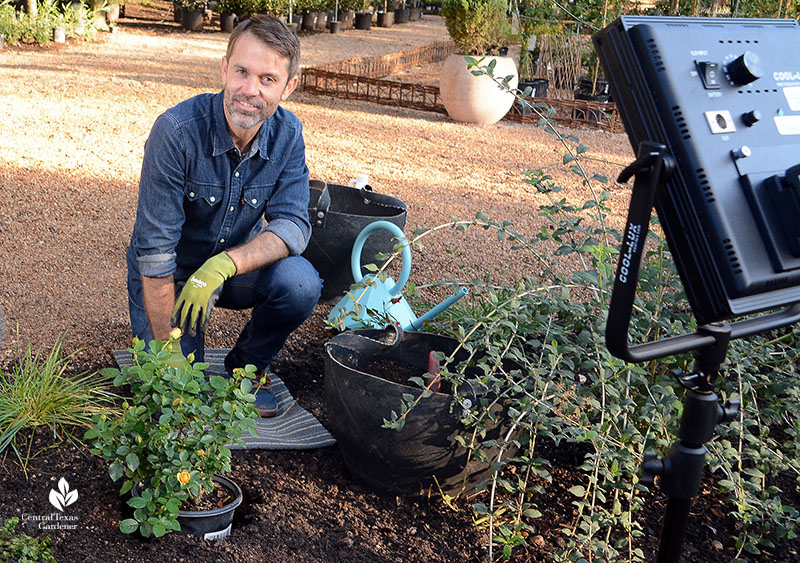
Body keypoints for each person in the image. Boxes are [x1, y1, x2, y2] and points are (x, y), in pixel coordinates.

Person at [126, 15, 322, 417]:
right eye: (242, 72)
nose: (249, 91)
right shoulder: (176, 132)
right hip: (171, 277)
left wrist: (222, 265)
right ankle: (175, 360)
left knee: (300, 282)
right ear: (223, 69)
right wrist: (167, 352)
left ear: (289, 87)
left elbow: (293, 225)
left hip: (231, 270)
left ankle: (244, 373)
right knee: (177, 400)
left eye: (268, 79)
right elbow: (155, 253)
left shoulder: (288, 134)